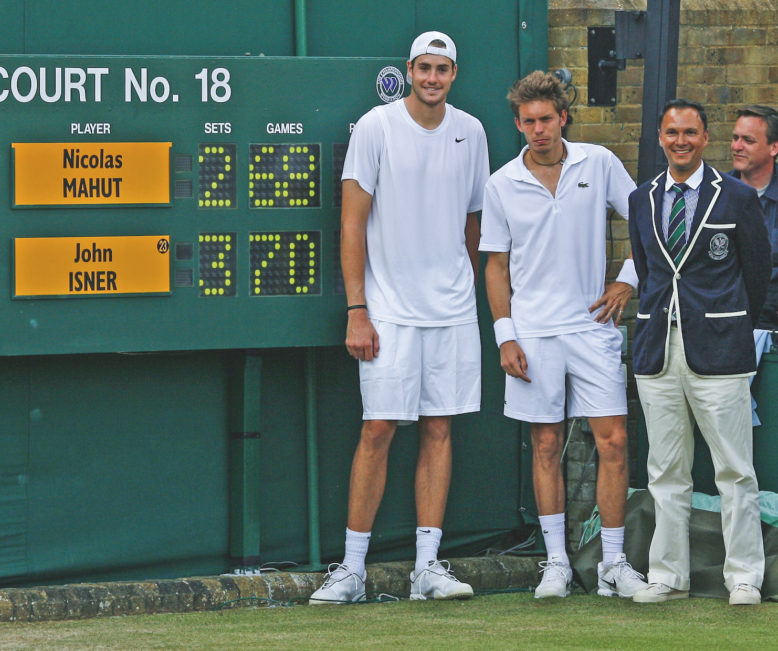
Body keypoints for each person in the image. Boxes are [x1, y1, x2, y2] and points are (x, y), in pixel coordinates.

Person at [309, 31, 489, 604]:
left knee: (439, 428)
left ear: (453, 75)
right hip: (387, 312)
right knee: (378, 429)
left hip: (453, 310)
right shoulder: (376, 127)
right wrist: (357, 309)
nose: (433, 78)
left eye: (443, 69)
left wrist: (461, 286)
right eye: (424, 68)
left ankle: (426, 569)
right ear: (409, 70)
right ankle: (353, 570)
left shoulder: (472, 131)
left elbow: (473, 222)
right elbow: (352, 224)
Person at [479, 70, 648, 599]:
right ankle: (555, 563)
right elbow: (495, 266)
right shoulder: (502, 183)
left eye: (546, 120)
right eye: (528, 122)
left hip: (592, 327)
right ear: (518, 124)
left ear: (562, 118)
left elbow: (648, 222)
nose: (538, 130)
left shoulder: (597, 163)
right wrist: (506, 335)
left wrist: (625, 282)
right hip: (531, 333)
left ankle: (613, 565)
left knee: (614, 442)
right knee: (545, 443)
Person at [628, 99, 770, 605]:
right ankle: (668, 576)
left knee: (734, 469)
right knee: (665, 469)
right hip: (657, 349)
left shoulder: (735, 197)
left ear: (705, 137)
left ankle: (744, 577)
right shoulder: (641, 197)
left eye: (690, 132)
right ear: (660, 137)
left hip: (721, 348)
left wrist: (726, 321)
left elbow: (756, 274)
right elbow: (649, 273)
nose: (680, 141)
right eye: (671, 132)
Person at [730, 105, 778, 424]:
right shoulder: (713, 195)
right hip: (723, 333)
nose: (737, 146)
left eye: (748, 139)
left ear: (774, 148)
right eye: (735, 138)